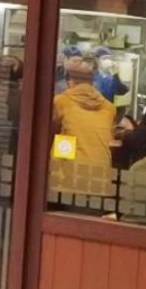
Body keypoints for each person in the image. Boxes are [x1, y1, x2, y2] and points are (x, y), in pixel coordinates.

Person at [51, 57, 118, 197]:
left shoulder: (62, 102)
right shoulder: (109, 108)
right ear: (92, 82)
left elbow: (52, 135)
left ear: (70, 82)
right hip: (101, 182)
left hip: (69, 184)